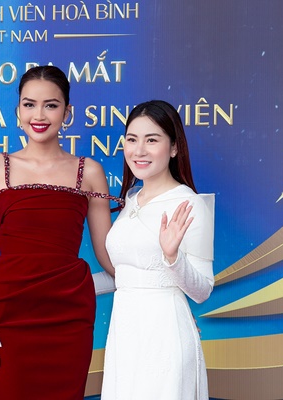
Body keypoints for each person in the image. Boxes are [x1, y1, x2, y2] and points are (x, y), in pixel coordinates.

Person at [0, 65, 122, 400]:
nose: (39, 115)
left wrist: (161, 293)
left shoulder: (89, 172)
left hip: (68, 313)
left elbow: (108, 255)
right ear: (17, 111)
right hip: (7, 310)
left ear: (67, 112)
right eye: (29, 104)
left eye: (51, 105)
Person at [101, 100, 215, 399]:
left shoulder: (190, 204)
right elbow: (128, 273)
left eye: (152, 140)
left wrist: (172, 258)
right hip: (125, 333)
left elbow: (203, 290)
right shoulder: (131, 199)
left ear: (174, 147)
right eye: (132, 140)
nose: (139, 151)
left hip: (165, 334)